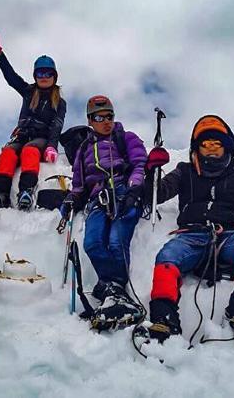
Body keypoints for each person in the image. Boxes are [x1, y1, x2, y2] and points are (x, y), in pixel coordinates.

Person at [146, 115, 234, 347]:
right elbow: (158, 193)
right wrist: (151, 172)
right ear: (198, 147)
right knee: (168, 256)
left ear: (226, 146)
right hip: (192, 233)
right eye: (206, 144)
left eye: (217, 144)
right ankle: (164, 318)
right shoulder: (185, 171)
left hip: (232, 234)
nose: (212, 149)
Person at [60, 95, 147, 330]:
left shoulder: (125, 138)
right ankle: (112, 289)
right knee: (93, 243)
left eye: (109, 116)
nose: (106, 121)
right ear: (90, 120)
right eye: (100, 117)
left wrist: (134, 189)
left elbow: (140, 164)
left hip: (122, 190)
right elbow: (79, 184)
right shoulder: (83, 149)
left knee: (116, 241)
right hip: (97, 198)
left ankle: (114, 287)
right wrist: (71, 200)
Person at [0, 34, 67, 210]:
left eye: (48, 73)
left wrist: (52, 146)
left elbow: (57, 125)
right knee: (7, 153)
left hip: (41, 139)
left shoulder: (59, 102)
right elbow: (11, 77)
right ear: (35, 76)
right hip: (22, 135)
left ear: (54, 76)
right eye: (40, 73)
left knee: (29, 151)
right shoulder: (29, 92)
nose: (44, 77)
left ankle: (26, 191)